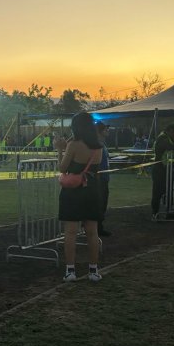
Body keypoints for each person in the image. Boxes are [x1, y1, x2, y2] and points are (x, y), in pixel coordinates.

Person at [54, 112, 104, 283]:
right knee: (92, 232)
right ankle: (93, 270)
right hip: (92, 190)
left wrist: (60, 149)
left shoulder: (74, 145)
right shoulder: (98, 147)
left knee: (71, 232)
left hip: (73, 192)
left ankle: (70, 271)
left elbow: (62, 167)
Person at [95, 122, 112, 237]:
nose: (108, 131)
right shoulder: (97, 144)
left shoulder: (102, 144)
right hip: (99, 178)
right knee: (99, 203)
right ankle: (97, 228)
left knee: (103, 202)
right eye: (106, 129)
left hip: (104, 177)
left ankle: (98, 227)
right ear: (100, 131)